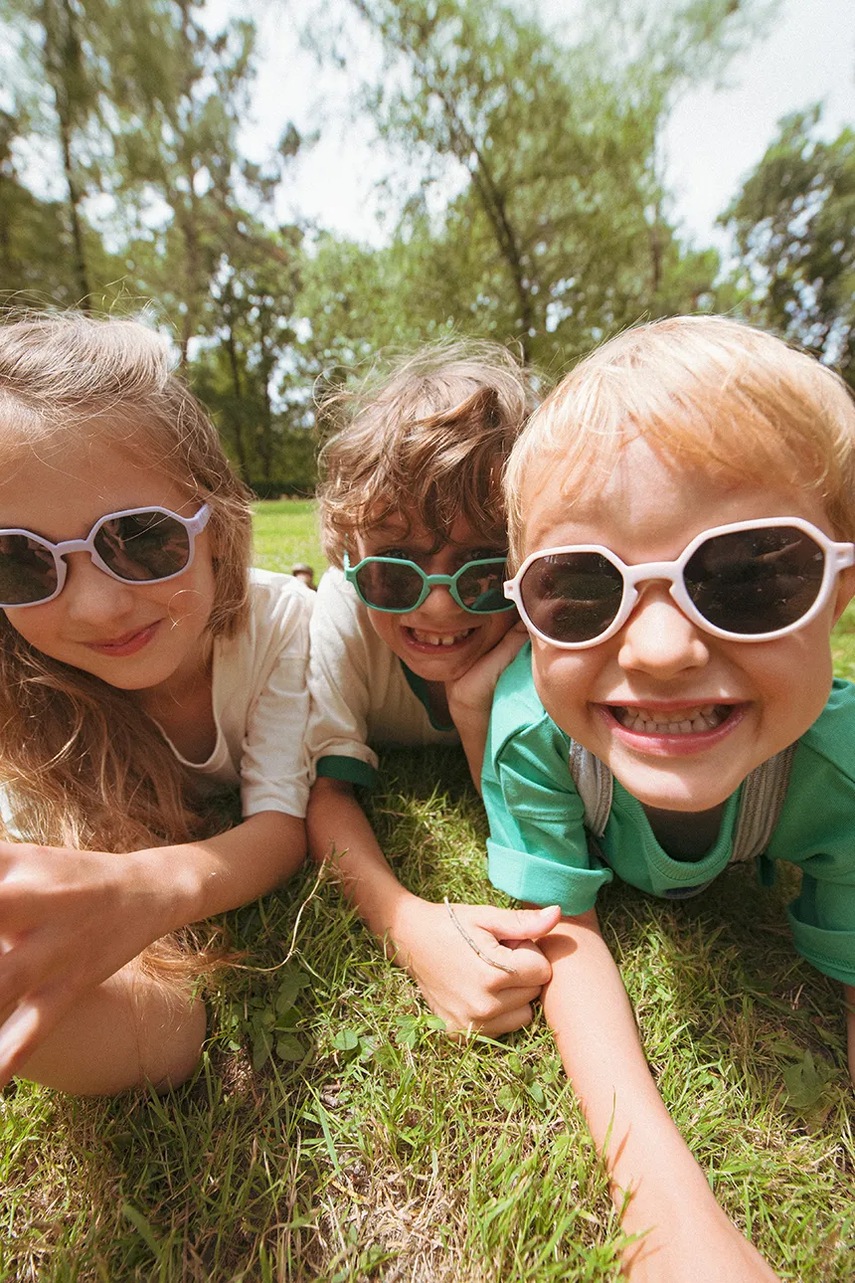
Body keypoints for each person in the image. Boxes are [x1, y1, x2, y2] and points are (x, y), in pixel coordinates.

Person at [483, 314, 855, 1282]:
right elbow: (561, 926)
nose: (658, 649)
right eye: (579, 589)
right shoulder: (536, 739)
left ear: (839, 590)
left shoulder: (843, 766)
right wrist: (664, 1205)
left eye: (744, 576)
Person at [0, 312, 313, 1096]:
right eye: (22, 563)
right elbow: (167, 1038)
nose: (99, 607)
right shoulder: (30, 702)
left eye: (140, 537)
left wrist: (145, 887)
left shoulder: (283, 628)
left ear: (216, 523)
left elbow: (280, 829)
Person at [306, 340, 561, 1034]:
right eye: (395, 571)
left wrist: (476, 712)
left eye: (480, 570)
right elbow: (327, 794)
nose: (440, 609)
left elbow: (523, 818)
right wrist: (406, 924)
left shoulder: (539, 619)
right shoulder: (344, 610)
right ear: (349, 556)